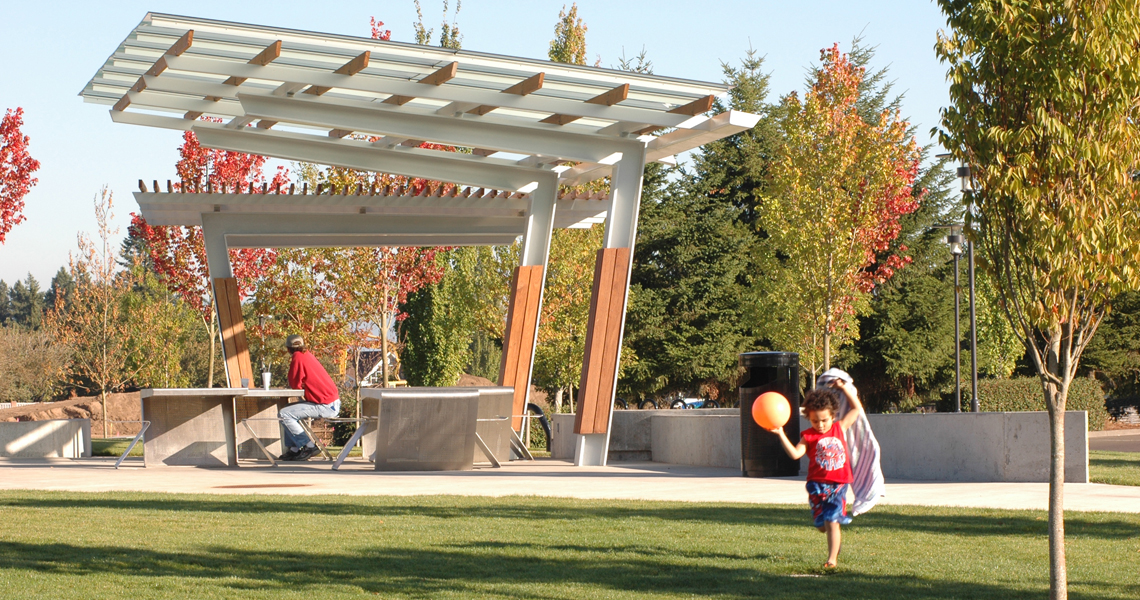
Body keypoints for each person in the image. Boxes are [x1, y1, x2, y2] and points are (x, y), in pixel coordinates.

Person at [770, 378, 864, 569]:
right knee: (822, 526)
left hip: (838, 485)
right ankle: (832, 538)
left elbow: (856, 410)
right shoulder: (809, 436)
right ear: (809, 418)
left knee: (832, 521)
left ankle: (832, 560)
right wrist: (781, 434)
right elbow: (796, 454)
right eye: (815, 421)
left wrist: (844, 388)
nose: (820, 425)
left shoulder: (839, 428)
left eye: (824, 420)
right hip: (816, 486)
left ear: (833, 416)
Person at [279, 334, 341, 461]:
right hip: (330, 402)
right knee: (287, 410)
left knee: (284, 414)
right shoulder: (306, 355)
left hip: (326, 405)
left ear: (288, 349)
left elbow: (295, 384)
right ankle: (294, 449)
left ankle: (309, 446)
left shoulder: (297, 358)